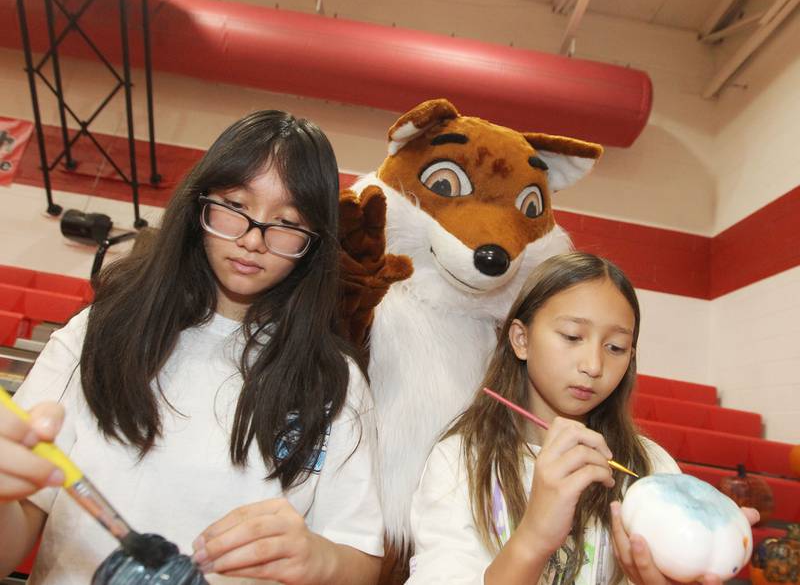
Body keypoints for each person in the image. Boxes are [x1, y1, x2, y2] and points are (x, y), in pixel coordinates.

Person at [0, 110, 383, 585]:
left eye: (286, 222)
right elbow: (15, 533)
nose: (251, 239)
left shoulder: (333, 382)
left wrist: (319, 560)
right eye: (236, 205)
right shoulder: (101, 331)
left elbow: (362, 558)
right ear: (198, 204)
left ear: (315, 243)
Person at [405, 251, 757, 585]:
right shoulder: (461, 462)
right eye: (573, 336)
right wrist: (534, 538)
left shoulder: (650, 466)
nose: (593, 365)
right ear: (521, 339)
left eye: (616, 347)